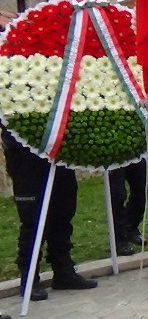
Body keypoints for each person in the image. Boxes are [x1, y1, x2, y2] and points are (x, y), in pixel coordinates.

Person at [2, 129, 98, 302]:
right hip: (26, 153)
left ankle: (63, 270)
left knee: (63, 211)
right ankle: (30, 278)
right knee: (34, 220)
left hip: (59, 151)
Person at [108, 159, 147, 256]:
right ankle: (119, 239)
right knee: (117, 195)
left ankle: (130, 228)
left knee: (142, 188)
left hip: (135, 150)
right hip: (114, 154)